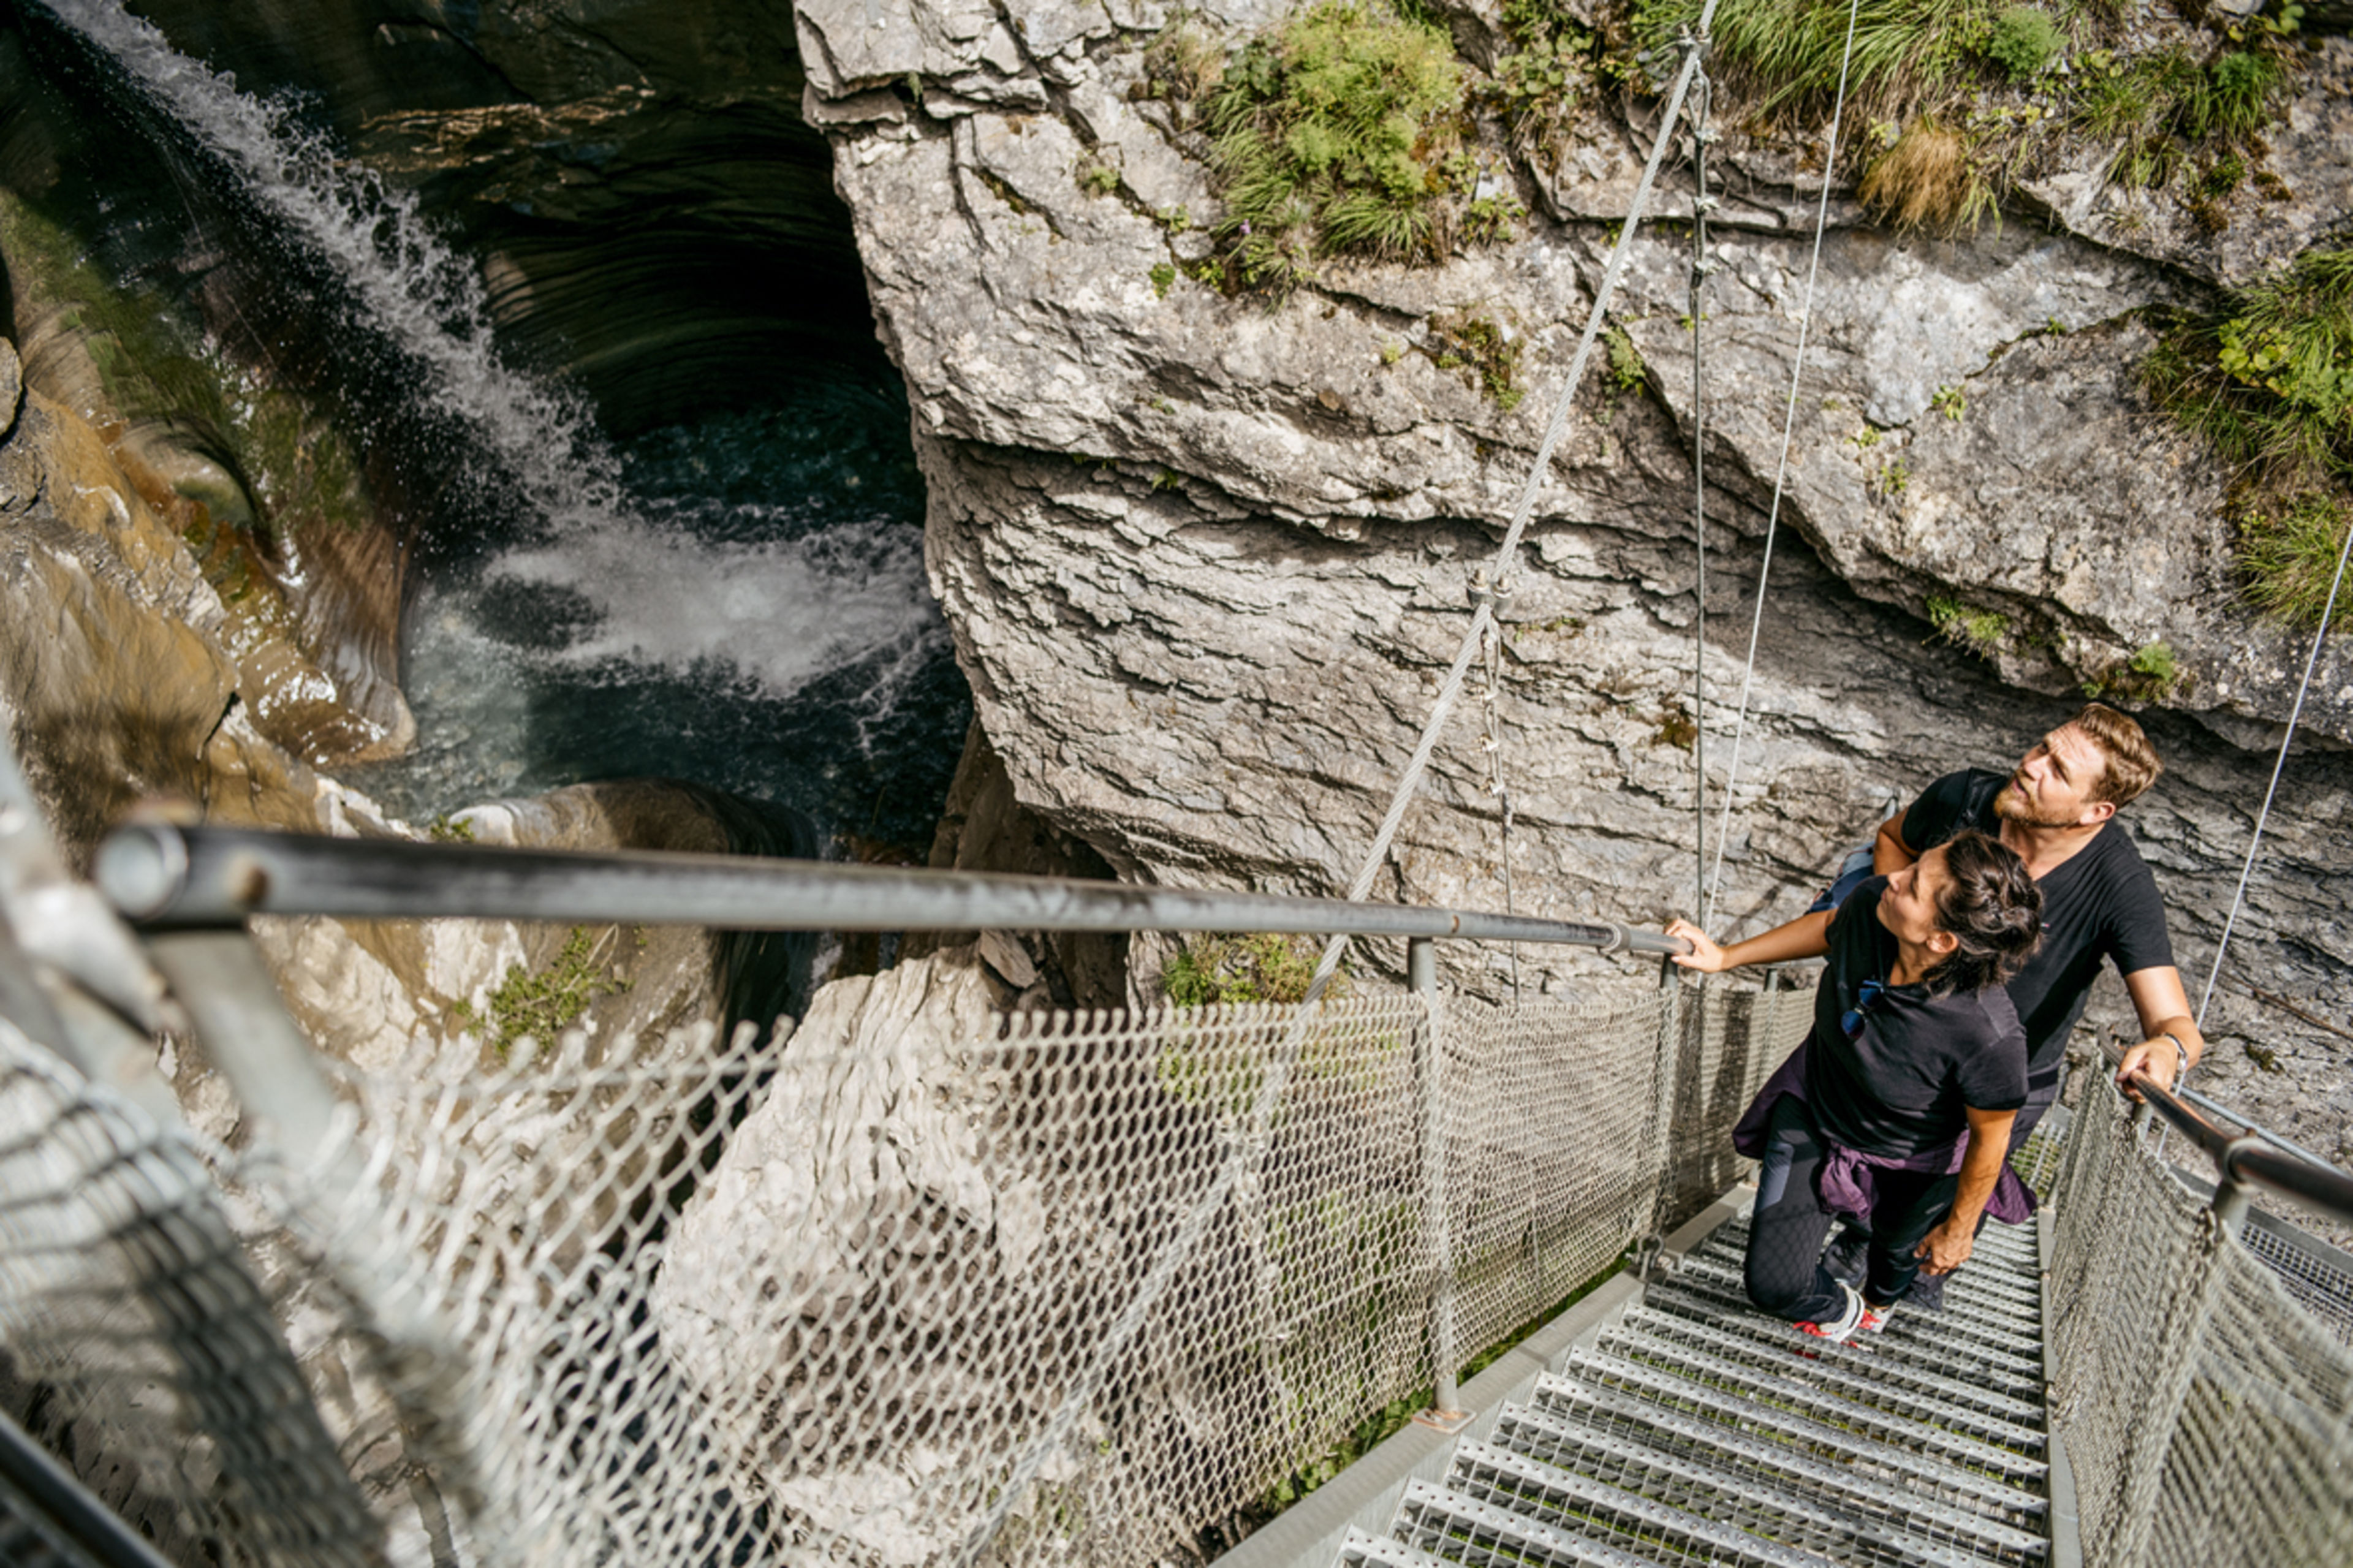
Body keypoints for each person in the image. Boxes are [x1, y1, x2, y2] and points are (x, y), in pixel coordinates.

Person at [1707, 703, 2202, 1305]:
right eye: (2042, 745)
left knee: (1922, 1235)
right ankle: (1848, 1267)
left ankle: (1885, 1285)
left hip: (1997, 1078)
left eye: (2058, 769)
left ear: (2096, 811)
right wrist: (1893, 924)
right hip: (1888, 1038)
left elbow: (2174, 1022)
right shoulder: (1969, 797)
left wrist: (2167, 1049)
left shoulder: (2118, 887)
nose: (2031, 765)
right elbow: (1892, 840)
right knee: (1868, 1199)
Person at [1667, 831, 2045, 1341]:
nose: (1893, 876)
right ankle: (1843, 1313)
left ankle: (1878, 1301)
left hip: (1915, 1159)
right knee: (1774, 1285)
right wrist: (1726, 956)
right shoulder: (1873, 904)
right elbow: (1829, 926)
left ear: (1940, 940)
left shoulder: (1988, 1035)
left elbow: (1991, 1139)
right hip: (1818, 1109)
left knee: (1894, 1255)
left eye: (1914, 884)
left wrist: (1958, 1230)